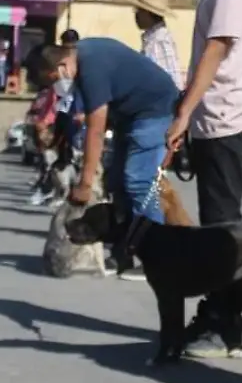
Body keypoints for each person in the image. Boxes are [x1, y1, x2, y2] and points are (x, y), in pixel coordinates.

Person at [160, 0, 242, 358]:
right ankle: (218, 313)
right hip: (211, 119)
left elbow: (216, 51)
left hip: (224, 119)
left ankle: (225, 325)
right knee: (213, 228)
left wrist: (184, 112)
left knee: (222, 230)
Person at [24, 38, 179, 279]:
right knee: (116, 181)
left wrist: (85, 183)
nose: (56, 86)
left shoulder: (92, 70)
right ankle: (124, 251)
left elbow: (95, 131)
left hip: (154, 110)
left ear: (62, 66)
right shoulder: (80, 59)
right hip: (128, 115)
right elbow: (76, 113)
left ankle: (156, 259)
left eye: (53, 80)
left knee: (138, 181)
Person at [129, 0, 186, 90]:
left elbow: (167, 81)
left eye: (138, 10)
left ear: (147, 13)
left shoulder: (159, 40)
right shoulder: (153, 38)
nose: (135, 15)